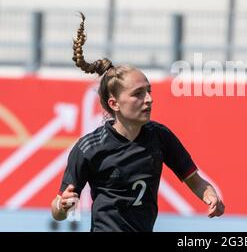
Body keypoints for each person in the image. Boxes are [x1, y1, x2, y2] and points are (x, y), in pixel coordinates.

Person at [50, 12, 225, 232]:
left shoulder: (160, 137)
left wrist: (210, 195)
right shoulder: (88, 148)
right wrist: (63, 205)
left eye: (149, 91)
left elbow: (196, 181)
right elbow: (56, 210)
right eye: (138, 94)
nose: (149, 99)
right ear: (114, 104)